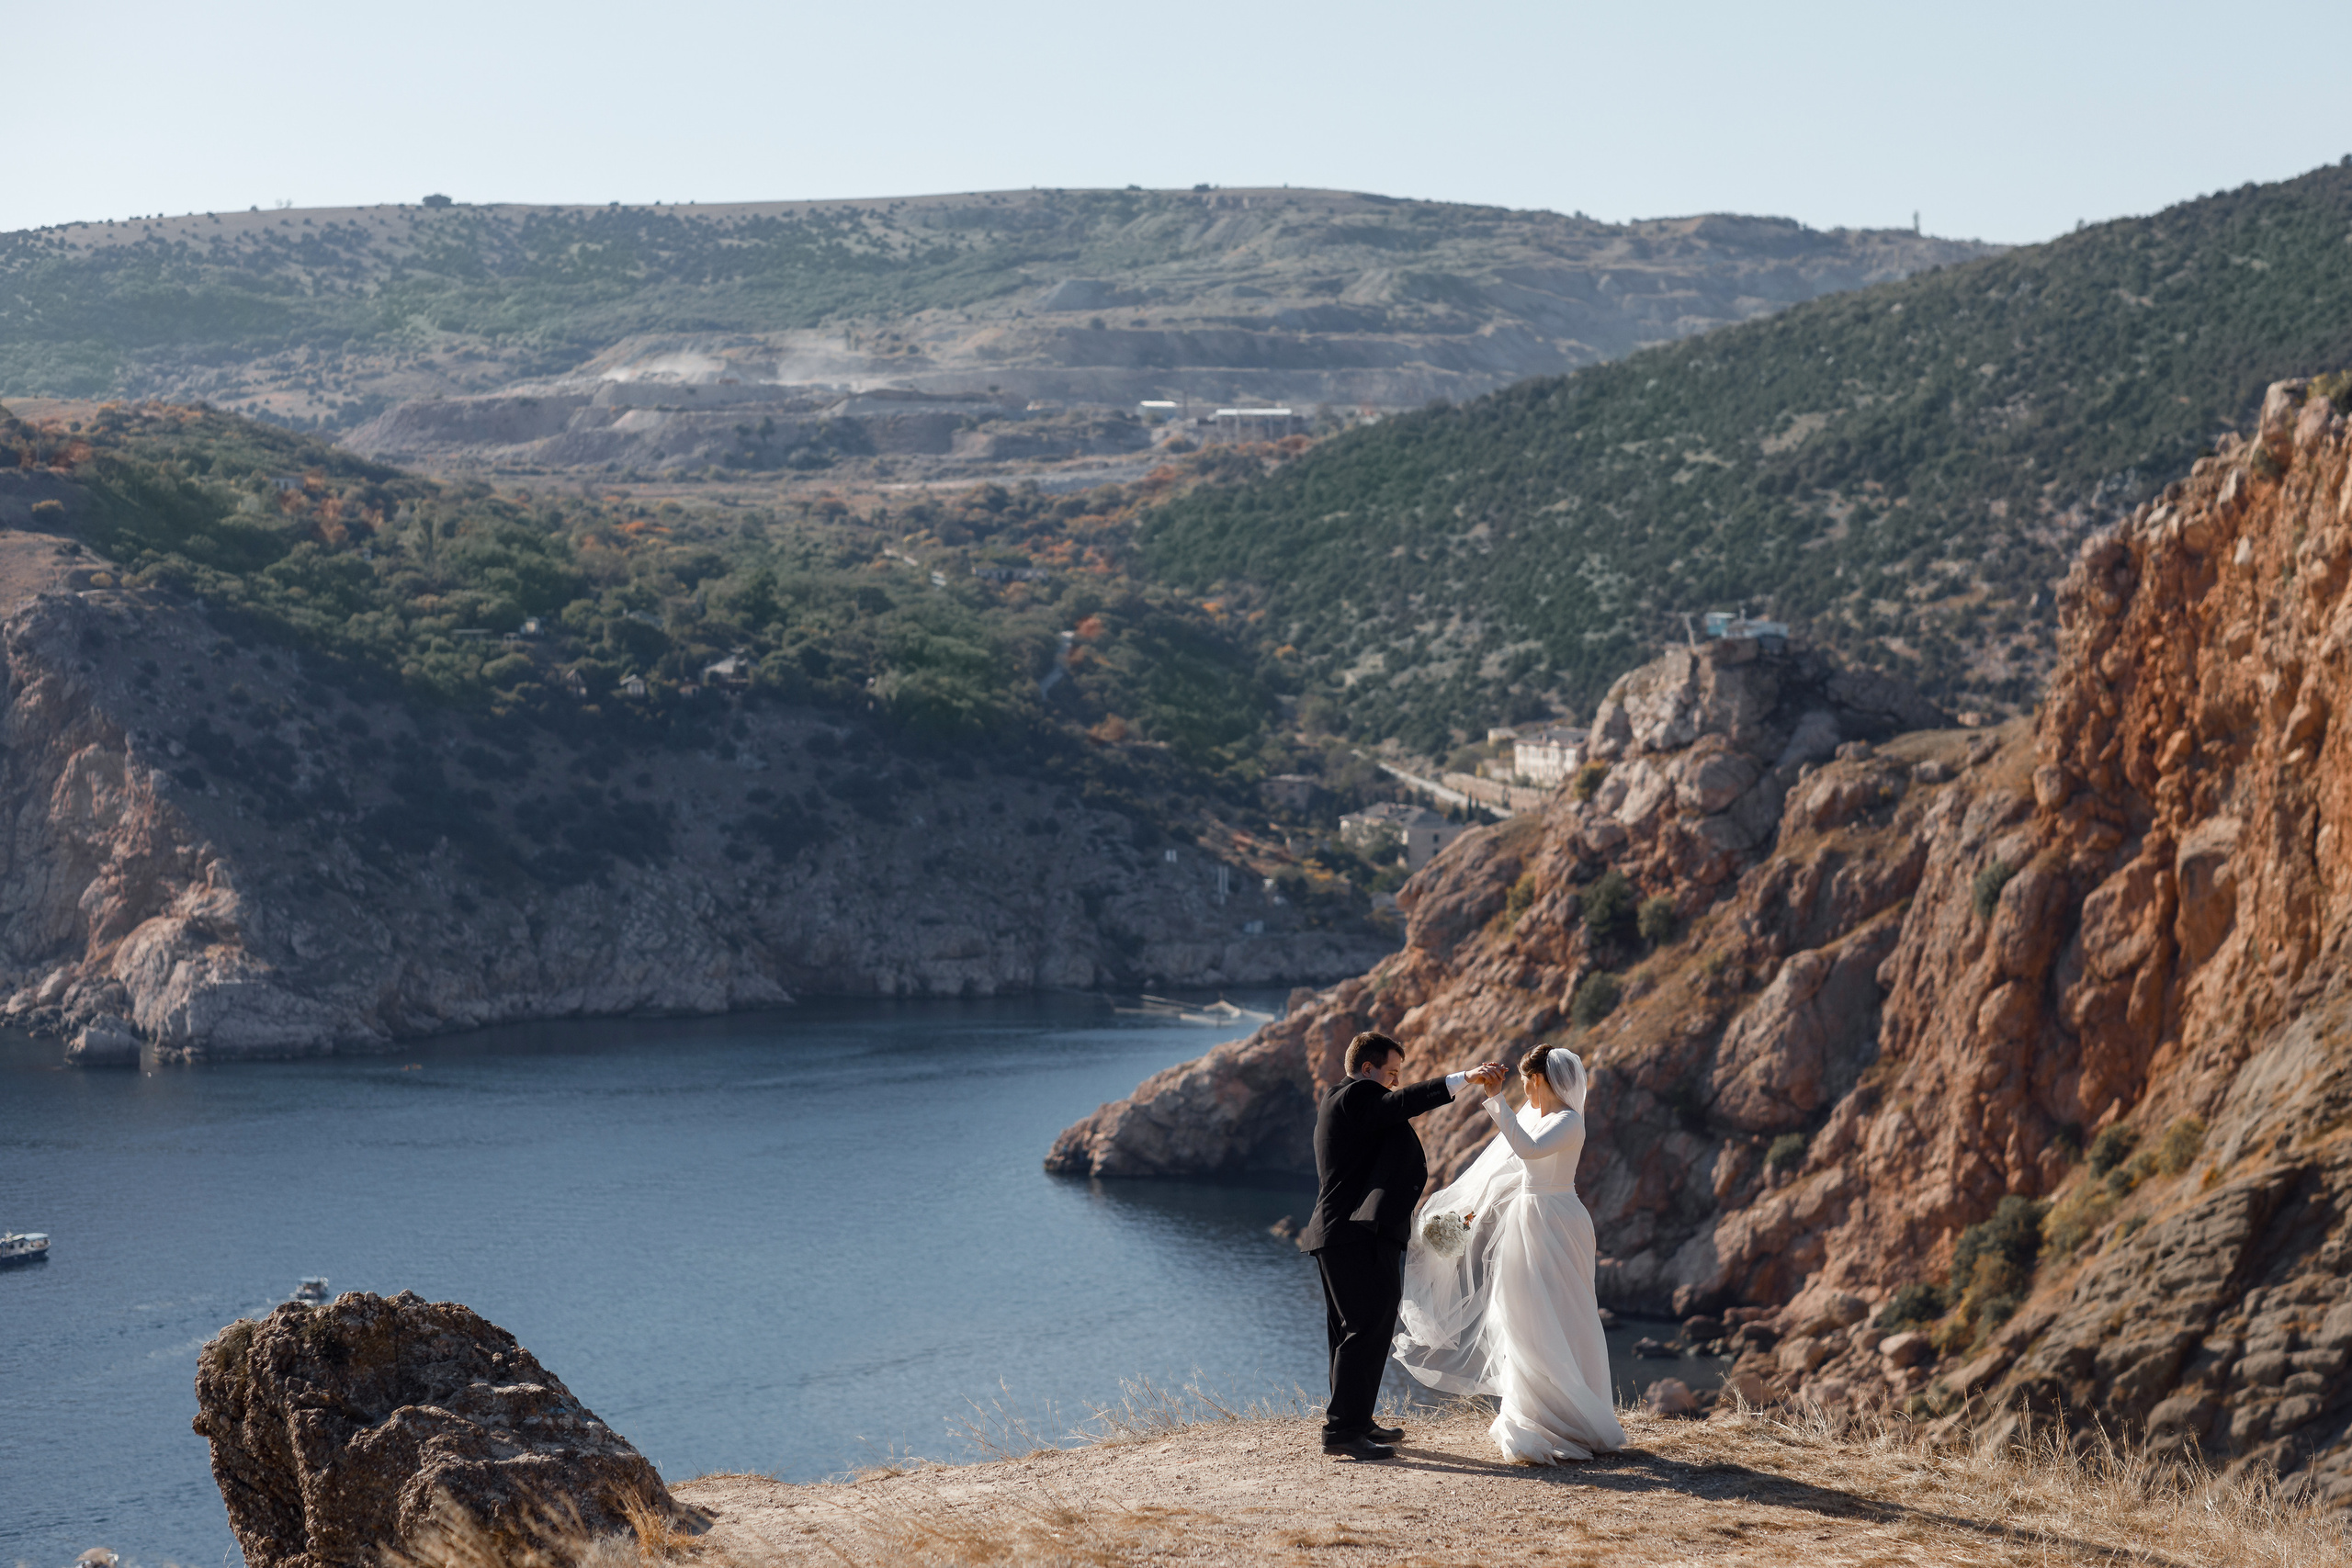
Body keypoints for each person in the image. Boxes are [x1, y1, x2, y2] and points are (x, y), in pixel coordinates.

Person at [1392, 1043, 1626, 1463]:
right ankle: (1531, 1411)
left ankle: (1574, 1415)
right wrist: (1466, 1216)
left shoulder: (1569, 1121)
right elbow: (1507, 1172)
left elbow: (1530, 1152)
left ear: (1538, 1080)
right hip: (1528, 1217)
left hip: (1557, 1220)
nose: (1524, 1091)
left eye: (1524, 1083)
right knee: (1521, 1311)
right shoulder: (1537, 1116)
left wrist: (1495, 1100)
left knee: (1566, 1311)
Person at [1297, 1030, 1504, 1461]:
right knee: (1365, 1327)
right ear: (1367, 1068)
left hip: (1345, 1234)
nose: (1394, 1082)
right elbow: (1400, 1103)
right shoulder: (1353, 1097)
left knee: (1351, 1330)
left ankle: (1355, 1421)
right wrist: (1464, 1078)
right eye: (1390, 1073)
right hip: (1355, 1236)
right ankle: (1342, 1431)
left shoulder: (1349, 1107)